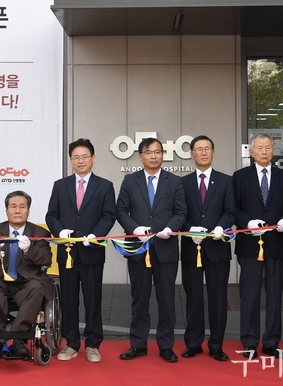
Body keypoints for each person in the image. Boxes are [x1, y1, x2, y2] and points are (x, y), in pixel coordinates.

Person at [116, 137, 187, 363]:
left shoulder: (174, 182)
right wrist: (134, 229)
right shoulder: (130, 181)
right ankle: (138, 344)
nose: (153, 156)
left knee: (167, 300)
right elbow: (121, 210)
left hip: (166, 248)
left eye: (157, 152)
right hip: (139, 249)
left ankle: (166, 346)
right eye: (148, 152)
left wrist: (170, 228)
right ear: (140, 156)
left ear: (163, 155)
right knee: (139, 299)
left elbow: (181, 212)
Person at [45, 138, 116, 363]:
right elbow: (51, 215)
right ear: (71, 160)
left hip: (91, 251)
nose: (80, 161)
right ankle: (71, 343)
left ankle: (93, 344)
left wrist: (96, 235)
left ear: (93, 158)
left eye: (85, 156)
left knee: (93, 300)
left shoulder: (105, 186)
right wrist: (60, 231)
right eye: (76, 157)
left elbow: (109, 215)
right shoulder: (60, 185)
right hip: (67, 253)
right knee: (68, 300)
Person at [233, 133, 283, 359]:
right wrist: (247, 223)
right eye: (259, 148)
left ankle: (271, 342)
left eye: (268, 147)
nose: (264, 151)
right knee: (249, 295)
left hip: (277, 243)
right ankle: (249, 342)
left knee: (275, 296)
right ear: (251, 152)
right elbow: (234, 207)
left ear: (274, 151)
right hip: (250, 244)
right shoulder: (240, 177)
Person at [0, 191, 52, 358]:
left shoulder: (40, 233)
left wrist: (30, 250)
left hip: (27, 282)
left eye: (22, 207)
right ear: (6, 210)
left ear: (28, 211)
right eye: (13, 206)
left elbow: (47, 259)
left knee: (37, 287)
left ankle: (19, 338)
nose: (17, 210)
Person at [179, 136, 236, 362]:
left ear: (214, 152)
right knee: (193, 298)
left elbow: (230, 211)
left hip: (217, 247)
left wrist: (221, 226)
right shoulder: (182, 183)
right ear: (191, 154)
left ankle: (216, 345)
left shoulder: (226, 181)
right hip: (192, 248)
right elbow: (178, 213)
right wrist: (189, 229)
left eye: (207, 149)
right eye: (199, 149)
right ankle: (193, 343)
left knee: (218, 299)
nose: (203, 153)